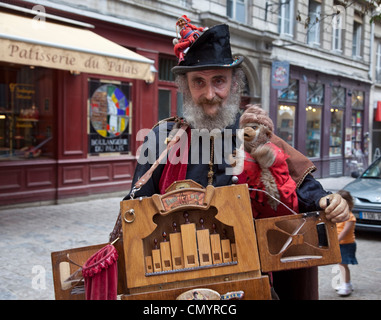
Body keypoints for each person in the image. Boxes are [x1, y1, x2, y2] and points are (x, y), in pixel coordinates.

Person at [125, 21, 349, 299]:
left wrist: (326, 200)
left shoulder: (253, 133)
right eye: (199, 82)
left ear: (233, 84)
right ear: (186, 87)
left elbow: (300, 187)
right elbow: (134, 211)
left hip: (248, 280)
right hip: (177, 283)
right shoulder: (162, 139)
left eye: (218, 80)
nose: (209, 94)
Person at [335, 189, 358, 297]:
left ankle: (347, 285)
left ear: (348, 203)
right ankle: (346, 283)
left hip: (346, 244)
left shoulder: (350, 216)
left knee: (343, 265)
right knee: (341, 264)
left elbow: (345, 231)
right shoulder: (339, 215)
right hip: (340, 243)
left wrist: (336, 240)